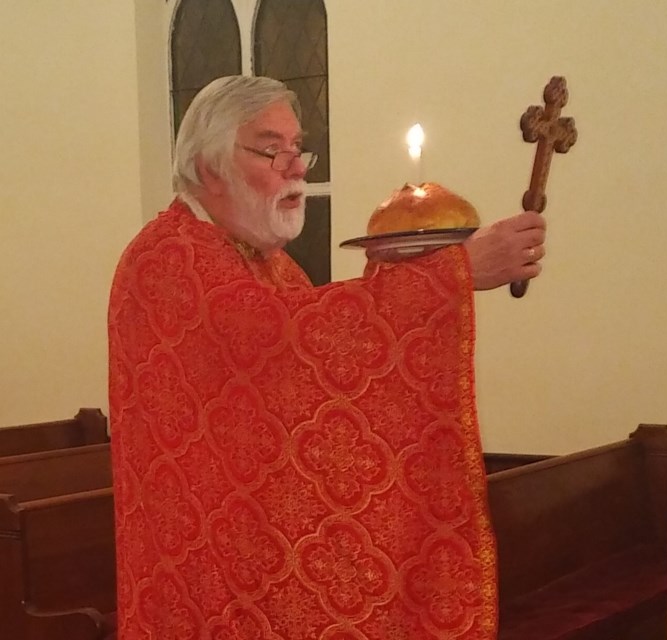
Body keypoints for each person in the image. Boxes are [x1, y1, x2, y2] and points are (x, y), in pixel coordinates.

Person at [107, 74, 545, 639]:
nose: (296, 168)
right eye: (272, 149)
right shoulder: (169, 258)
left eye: (298, 149)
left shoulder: (265, 262)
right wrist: (454, 275)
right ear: (210, 166)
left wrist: (422, 269)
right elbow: (287, 339)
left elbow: (325, 373)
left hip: (250, 558)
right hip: (202, 575)